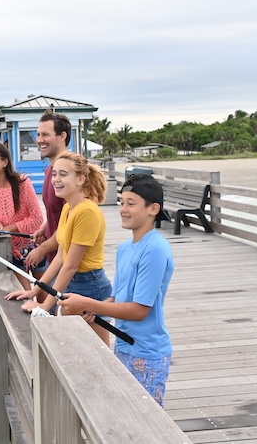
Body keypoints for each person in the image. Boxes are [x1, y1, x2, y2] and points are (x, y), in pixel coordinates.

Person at [58, 173, 175, 406]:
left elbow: (140, 310)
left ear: (153, 209)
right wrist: (95, 313)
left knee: (145, 423)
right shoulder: (125, 248)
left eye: (131, 204)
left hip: (147, 353)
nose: (123, 209)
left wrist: (87, 303)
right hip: (124, 347)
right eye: (122, 202)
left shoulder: (155, 249)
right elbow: (117, 299)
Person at [6, 152, 113, 345]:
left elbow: (71, 265)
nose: (56, 180)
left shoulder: (86, 211)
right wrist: (34, 291)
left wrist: (46, 306)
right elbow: (59, 257)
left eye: (63, 174)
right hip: (72, 283)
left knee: (100, 352)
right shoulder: (68, 208)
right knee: (77, 348)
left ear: (81, 179)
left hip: (91, 285)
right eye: (54, 174)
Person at [0, 142, 46, 290]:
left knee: (44, 297)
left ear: (5, 162)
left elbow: (37, 219)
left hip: (34, 245)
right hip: (10, 249)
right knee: (26, 298)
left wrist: (9, 228)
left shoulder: (22, 183)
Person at [22, 111, 71, 286]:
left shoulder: (71, 172)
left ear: (62, 136)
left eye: (45, 135)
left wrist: (42, 249)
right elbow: (59, 212)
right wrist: (45, 227)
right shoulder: (51, 170)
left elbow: (71, 225)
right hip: (55, 258)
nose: (39, 140)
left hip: (70, 267)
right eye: (38, 134)